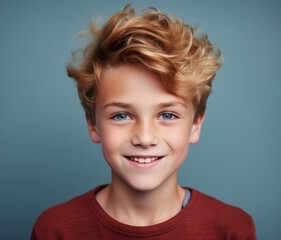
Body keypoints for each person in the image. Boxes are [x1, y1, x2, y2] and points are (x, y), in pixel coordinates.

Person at [30, 5, 256, 240]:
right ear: (93, 124)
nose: (145, 138)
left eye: (167, 115)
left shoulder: (232, 229)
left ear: (195, 125)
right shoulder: (55, 230)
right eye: (121, 115)